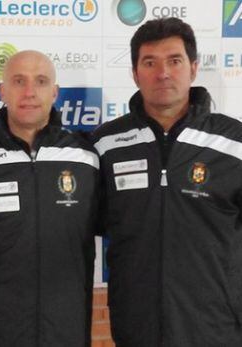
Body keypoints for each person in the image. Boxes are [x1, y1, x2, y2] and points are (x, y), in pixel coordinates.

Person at [91, 17, 242, 347]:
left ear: (193, 67)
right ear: (134, 73)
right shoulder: (106, 144)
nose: (163, 73)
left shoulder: (235, 143)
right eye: (150, 62)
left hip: (215, 326)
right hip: (135, 324)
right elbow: (95, 220)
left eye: (174, 60)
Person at [0, 50, 99, 347]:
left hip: (65, 330)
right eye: (19, 81)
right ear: (2, 91)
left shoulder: (86, 157)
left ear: (55, 92)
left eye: (41, 81)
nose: (30, 92)